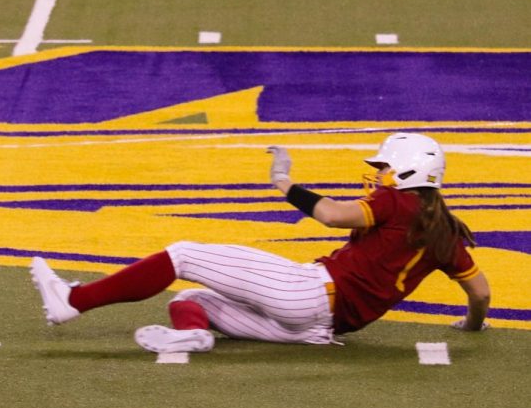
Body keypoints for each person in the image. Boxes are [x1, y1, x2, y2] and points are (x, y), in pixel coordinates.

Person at [30, 133, 491, 353]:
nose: (380, 174)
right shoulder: (445, 232)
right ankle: (194, 333)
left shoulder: (395, 204)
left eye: (386, 167)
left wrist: (284, 181)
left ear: (409, 172)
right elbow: (480, 292)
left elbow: (330, 214)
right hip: (321, 329)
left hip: (309, 292)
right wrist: (471, 326)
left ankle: (73, 300)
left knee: (182, 254)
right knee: (193, 299)